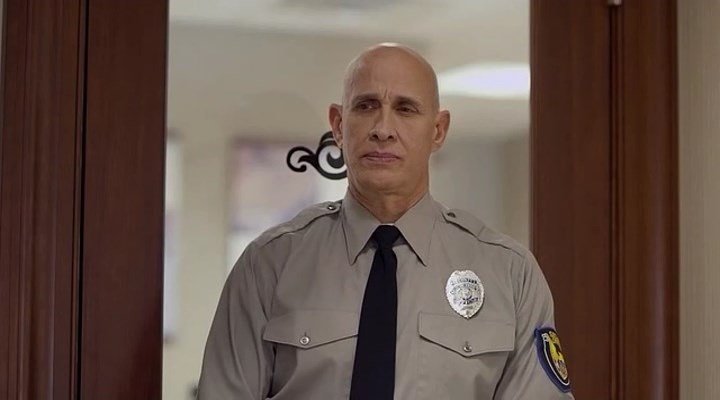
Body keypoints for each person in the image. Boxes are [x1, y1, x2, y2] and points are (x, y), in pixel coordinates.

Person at [198, 43, 574, 400]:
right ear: (338, 125)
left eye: (405, 109)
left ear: (438, 130)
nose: (383, 129)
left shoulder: (509, 274)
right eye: (366, 106)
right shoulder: (270, 264)